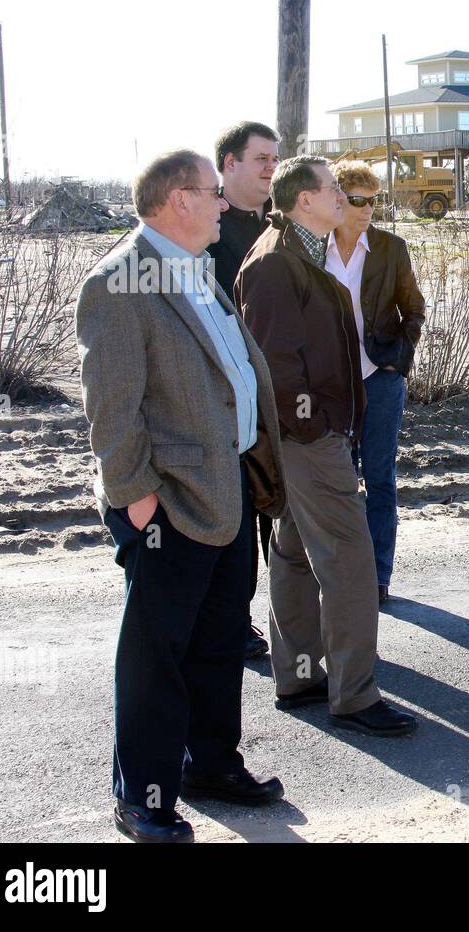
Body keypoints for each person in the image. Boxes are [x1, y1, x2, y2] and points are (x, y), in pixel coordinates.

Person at [76, 150, 287, 842]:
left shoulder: (196, 271)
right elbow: (113, 409)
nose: (224, 204)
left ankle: (210, 765)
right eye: (211, 192)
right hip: (167, 504)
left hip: (225, 491)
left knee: (219, 643)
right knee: (155, 655)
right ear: (176, 200)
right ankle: (145, 797)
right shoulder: (120, 282)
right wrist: (138, 503)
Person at [236, 155, 418, 737]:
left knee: (292, 553)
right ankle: (356, 695)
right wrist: (313, 428)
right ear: (302, 200)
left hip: (307, 436)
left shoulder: (297, 250)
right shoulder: (274, 263)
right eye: (332, 188)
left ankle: (301, 677)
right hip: (306, 439)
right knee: (350, 558)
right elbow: (275, 363)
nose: (342, 195)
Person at [328, 160, 426, 604]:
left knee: (380, 477)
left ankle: (378, 576)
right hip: (329, 383)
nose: (367, 209)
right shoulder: (314, 250)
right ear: (336, 199)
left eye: (374, 200)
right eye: (357, 200)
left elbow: (414, 309)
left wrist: (397, 363)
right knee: (339, 479)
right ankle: (344, 570)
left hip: (381, 379)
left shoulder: (391, 248)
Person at [208, 121, 282, 660]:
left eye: (274, 159)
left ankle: (292, 625)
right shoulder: (207, 232)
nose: (269, 168)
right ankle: (233, 620)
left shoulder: (283, 225)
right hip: (228, 395)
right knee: (236, 516)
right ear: (228, 164)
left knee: (280, 512)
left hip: (283, 394)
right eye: (259, 158)